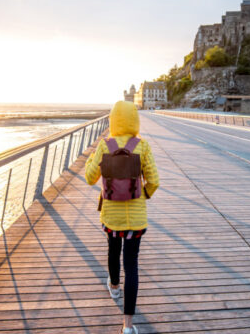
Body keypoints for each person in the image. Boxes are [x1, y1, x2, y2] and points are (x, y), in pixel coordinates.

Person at [85, 101, 159, 334]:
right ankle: (127, 326)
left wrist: (91, 157)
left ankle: (114, 286)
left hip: (111, 216)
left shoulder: (105, 145)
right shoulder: (142, 145)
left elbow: (89, 177)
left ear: (112, 120)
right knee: (132, 264)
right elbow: (154, 180)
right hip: (135, 219)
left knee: (112, 250)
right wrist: (143, 195)